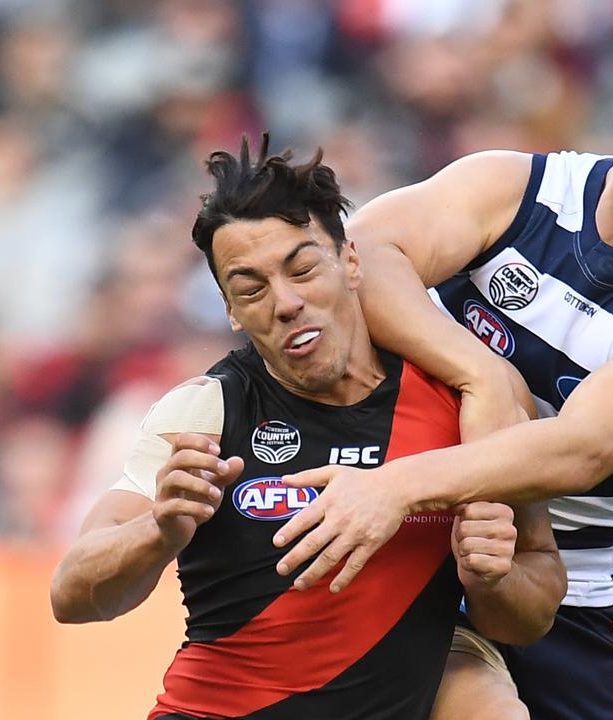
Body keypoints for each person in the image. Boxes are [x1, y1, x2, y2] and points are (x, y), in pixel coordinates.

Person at [269, 33, 613, 719]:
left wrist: (394, 487)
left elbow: (579, 450)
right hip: (406, 543)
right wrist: (479, 370)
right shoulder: (518, 188)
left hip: (551, 597)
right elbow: (360, 254)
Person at [49, 136, 566, 720]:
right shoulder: (204, 412)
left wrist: (493, 579)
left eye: (302, 268)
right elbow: (71, 594)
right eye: (251, 288)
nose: (287, 302)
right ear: (230, 309)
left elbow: (535, 599)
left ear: (350, 261)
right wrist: (157, 532)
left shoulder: (466, 398)